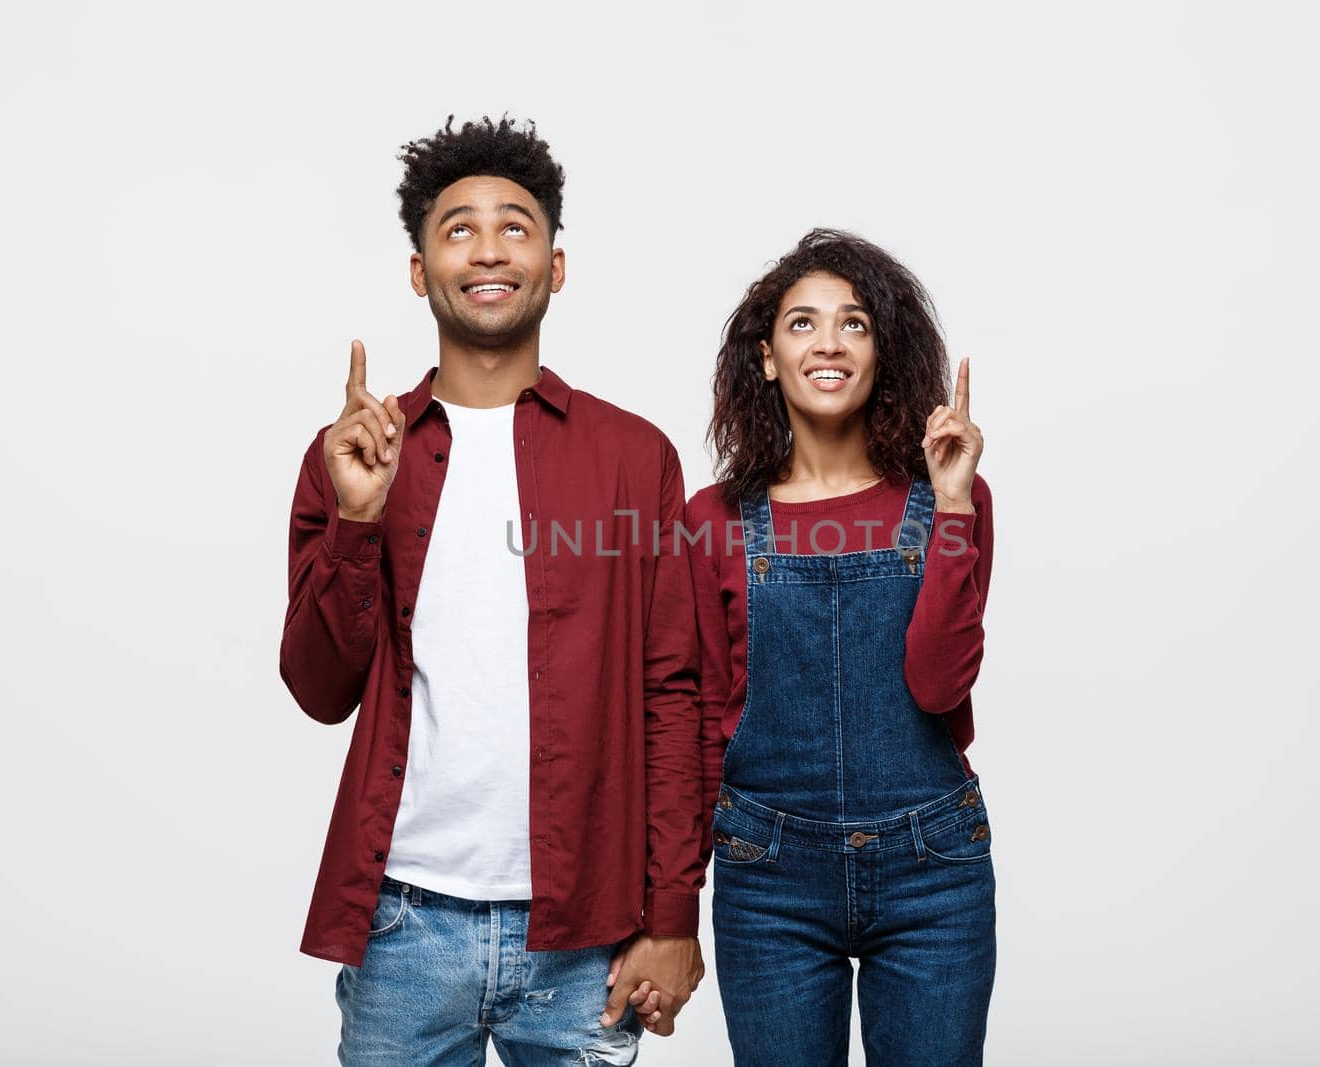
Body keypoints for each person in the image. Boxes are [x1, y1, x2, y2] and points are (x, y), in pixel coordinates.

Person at [279, 115, 704, 1066]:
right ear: (421, 269)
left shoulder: (635, 458)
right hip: (402, 925)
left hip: (586, 930)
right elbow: (317, 688)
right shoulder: (355, 451)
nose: (488, 249)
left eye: (515, 226)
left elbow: (673, 692)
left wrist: (673, 911)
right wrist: (355, 520)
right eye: (457, 228)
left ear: (555, 265)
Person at [687, 229, 996, 1065]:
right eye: (802, 323)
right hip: (768, 873)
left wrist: (957, 507)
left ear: (881, 352)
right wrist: (667, 907)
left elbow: (938, 683)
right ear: (765, 357)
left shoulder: (950, 500)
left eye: (854, 323)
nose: (828, 342)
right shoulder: (711, 520)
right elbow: (695, 722)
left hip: (932, 867)